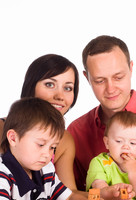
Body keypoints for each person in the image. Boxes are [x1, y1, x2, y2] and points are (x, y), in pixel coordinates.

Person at [67, 35, 136, 200]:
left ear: (131, 69)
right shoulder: (76, 132)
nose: (110, 89)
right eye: (99, 80)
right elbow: (65, 193)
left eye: (118, 77)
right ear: (87, 78)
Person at [0, 97, 110, 200]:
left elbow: (68, 199)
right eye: (40, 145)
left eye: (52, 147)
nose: (47, 154)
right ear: (13, 138)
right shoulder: (3, 171)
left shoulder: (45, 170)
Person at [0, 54, 79, 190]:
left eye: (68, 88)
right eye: (49, 84)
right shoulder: (2, 128)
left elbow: (68, 193)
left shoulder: (65, 140)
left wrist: (106, 197)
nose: (60, 96)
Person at [86, 111, 136, 200]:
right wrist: (115, 194)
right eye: (119, 141)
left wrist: (134, 172)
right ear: (107, 142)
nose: (126, 147)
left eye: (133, 143)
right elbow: (98, 189)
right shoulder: (99, 162)